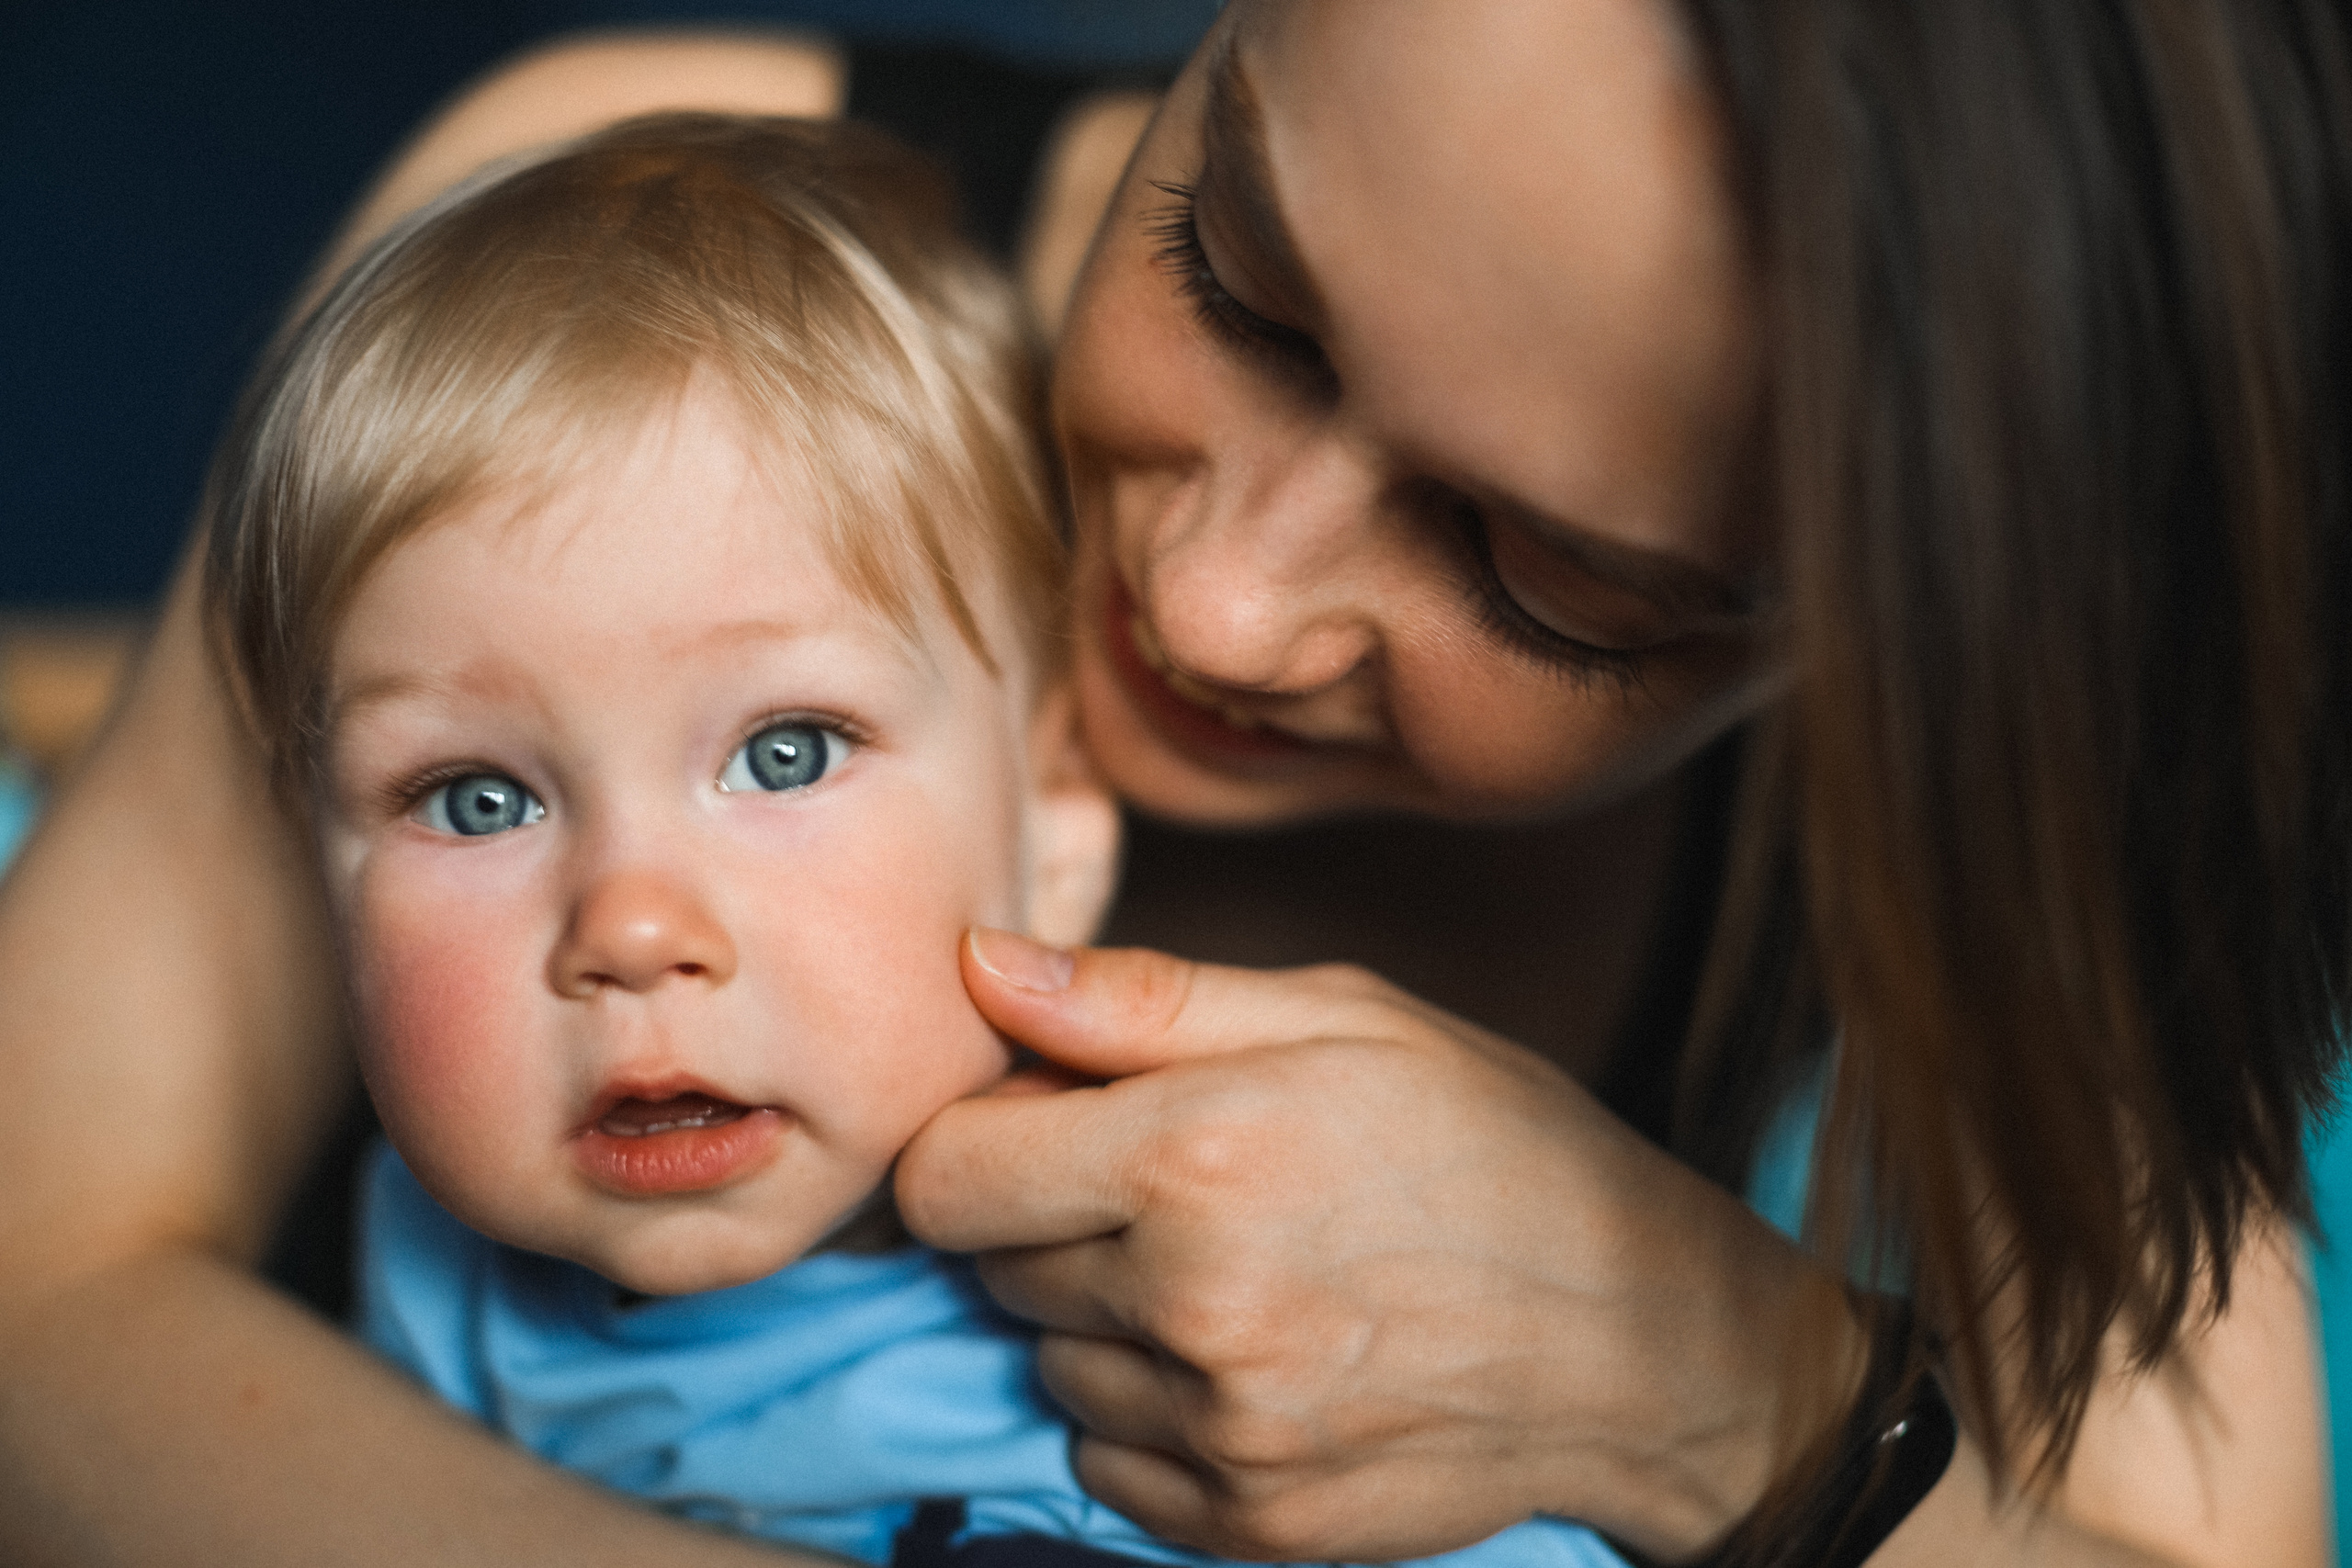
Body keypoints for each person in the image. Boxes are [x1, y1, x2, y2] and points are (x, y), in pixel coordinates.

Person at [0, 3, 2341, 1566]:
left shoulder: (2025, 790)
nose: (1213, 606)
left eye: (1556, 583)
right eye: (1234, 275)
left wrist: (1701, 1367)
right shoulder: (625, 227)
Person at [200, 105, 1617, 1568]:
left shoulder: (1245, 1320)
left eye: (785, 753)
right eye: (477, 800)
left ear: (1055, 813)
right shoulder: (436, 1282)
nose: (627, 925)